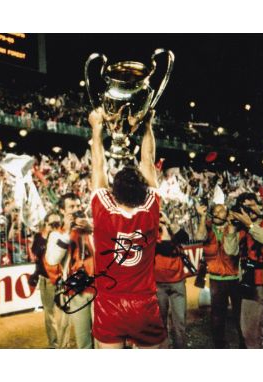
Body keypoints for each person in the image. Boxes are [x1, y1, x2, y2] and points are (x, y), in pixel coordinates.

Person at [88, 107, 166, 349]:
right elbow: (148, 160)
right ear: (144, 192)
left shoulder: (103, 210)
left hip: (109, 304)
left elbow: (98, 166)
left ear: (114, 191)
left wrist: (96, 129)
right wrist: (147, 126)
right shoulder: (151, 210)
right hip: (143, 304)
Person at [44, 193, 95, 349]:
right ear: (62, 211)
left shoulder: (92, 226)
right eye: (71, 207)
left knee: (104, 339)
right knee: (83, 341)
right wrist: (67, 231)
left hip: (99, 287)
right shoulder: (56, 235)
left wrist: (92, 229)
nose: (76, 210)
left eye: (78, 206)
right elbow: (53, 260)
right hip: (77, 291)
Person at [225, 192, 263, 348]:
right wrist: (232, 229)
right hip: (250, 285)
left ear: (260, 206)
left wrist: (251, 226)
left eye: (252, 205)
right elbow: (230, 251)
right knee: (249, 334)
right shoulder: (242, 229)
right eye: (245, 207)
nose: (250, 210)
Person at [194, 203, 244, 348]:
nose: (218, 212)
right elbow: (199, 237)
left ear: (227, 214)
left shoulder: (235, 227)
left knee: (240, 314)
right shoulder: (208, 226)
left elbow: (233, 249)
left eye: (222, 210)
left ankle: (244, 343)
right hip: (216, 279)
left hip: (235, 278)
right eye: (216, 210)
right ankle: (220, 346)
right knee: (217, 316)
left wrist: (232, 226)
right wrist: (202, 218)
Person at [154, 212, 189, 348]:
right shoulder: (151, 233)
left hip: (177, 281)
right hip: (159, 283)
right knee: (160, 322)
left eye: (162, 216)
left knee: (179, 322)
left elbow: (185, 237)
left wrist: (169, 223)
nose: (160, 219)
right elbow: (166, 248)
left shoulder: (172, 229)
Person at [31, 212, 59, 348]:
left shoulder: (62, 236)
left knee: (68, 314)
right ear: (45, 224)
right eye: (51, 224)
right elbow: (36, 253)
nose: (54, 227)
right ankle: (54, 345)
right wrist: (47, 237)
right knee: (49, 314)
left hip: (61, 278)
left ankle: (62, 344)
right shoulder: (39, 237)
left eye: (57, 224)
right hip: (46, 279)